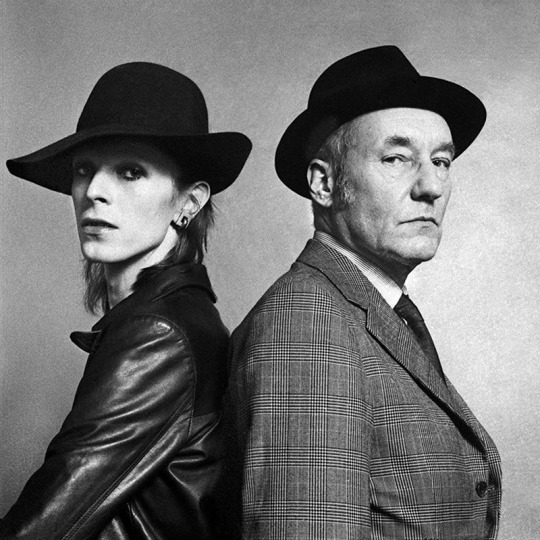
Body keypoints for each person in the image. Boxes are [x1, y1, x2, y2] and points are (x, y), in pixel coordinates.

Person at [222, 46, 502, 539]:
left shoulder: (370, 311)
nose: (431, 186)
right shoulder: (307, 321)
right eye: (396, 158)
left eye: (441, 161)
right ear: (324, 183)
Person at [1, 62, 251, 539]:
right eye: (84, 170)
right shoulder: (176, 317)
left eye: (130, 172)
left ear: (189, 202)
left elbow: (41, 528)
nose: (94, 192)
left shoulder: (158, 335)